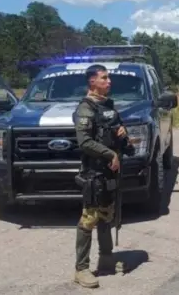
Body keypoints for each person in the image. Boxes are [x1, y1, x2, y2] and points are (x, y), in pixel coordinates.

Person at [72, 64, 127, 288]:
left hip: (109, 172)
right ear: (92, 82)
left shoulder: (109, 106)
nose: (109, 81)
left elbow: (117, 129)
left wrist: (123, 134)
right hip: (94, 173)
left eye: (108, 77)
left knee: (107, 216)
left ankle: (106, 258)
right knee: (89, 220)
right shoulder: (85, 109)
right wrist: (109, 153)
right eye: (104, 78)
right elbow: (84, 142)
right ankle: (81, 269)